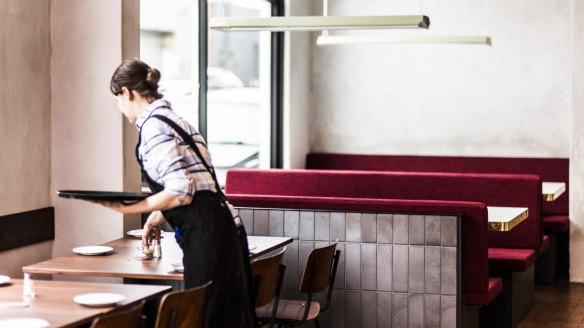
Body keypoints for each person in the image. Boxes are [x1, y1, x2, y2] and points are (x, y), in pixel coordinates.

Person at [97, 58, 258, 327]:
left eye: (117, 99)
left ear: (126, 93)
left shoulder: (153, 128)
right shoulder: (177, 121)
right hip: (225, 227)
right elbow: (195, 184)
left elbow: (181, 190)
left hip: (208, 237)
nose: (119, 108)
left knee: (209, 319)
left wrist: (130, 207)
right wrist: (154, 218)